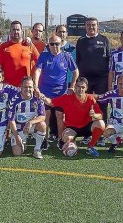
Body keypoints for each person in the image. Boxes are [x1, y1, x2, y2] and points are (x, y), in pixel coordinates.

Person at [33, 34, 79, 149]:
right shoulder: (44, 56)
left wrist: (72, 86)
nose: (54, 46)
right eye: (52, 44)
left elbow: (76, 72)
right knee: (46, 115)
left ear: (61, 44)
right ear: (48, 45)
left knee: (60, 116)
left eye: (57, 44)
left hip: (61, 94)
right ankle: (44, 139)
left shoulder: (66, 56)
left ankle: (61, 140)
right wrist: (36, 86)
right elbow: (37, 70)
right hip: (45, 92)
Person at [42, 77, 105, 157]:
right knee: (66, 138)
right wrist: (42, 97)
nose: (80, 89)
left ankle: (90, 147)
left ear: (86, 88)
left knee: (101, 124)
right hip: (72, 128)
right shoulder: (67, 98)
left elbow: (101, 116)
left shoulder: (90, 99)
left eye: (83, 87)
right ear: (75, 86)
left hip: (86, 126)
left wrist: (94, 115)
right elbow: (51, 102)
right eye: (78, 86)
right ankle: (71, 144)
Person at [76, 17, 111, 146]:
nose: (91, 27)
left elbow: (109, 59)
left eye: (94, 25)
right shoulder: (81, 41)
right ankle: (87, 134)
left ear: (98, 26)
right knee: (86, 106)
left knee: (102, 105)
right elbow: (78, 60)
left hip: (101, 78)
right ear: (85, 27)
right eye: (89, 25)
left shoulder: (104, 39)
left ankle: (101, 134)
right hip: (86, 79)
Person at [8, 76, 47, 159]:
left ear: (33, 88)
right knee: (17, 153)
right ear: (21, 87)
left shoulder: (38, 98)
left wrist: (30, 122)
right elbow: (11, 121)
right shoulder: (14, 99)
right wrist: (16, 136)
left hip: (31, 126)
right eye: (25, 87)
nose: (28, 89)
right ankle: (23, 141)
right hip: (18, 128)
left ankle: (37, 149)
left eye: (30, 87)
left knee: (42, 125)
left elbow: (42, 117)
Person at [0, 21, 39, 87]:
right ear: (10, 32)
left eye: (18, 30)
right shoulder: (3, 47)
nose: (16, 32)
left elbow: (40, 63)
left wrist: (34, 80)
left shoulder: (29, 45)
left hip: (25, 87)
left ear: (21, 31)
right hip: (8, 87)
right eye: (13, 30)